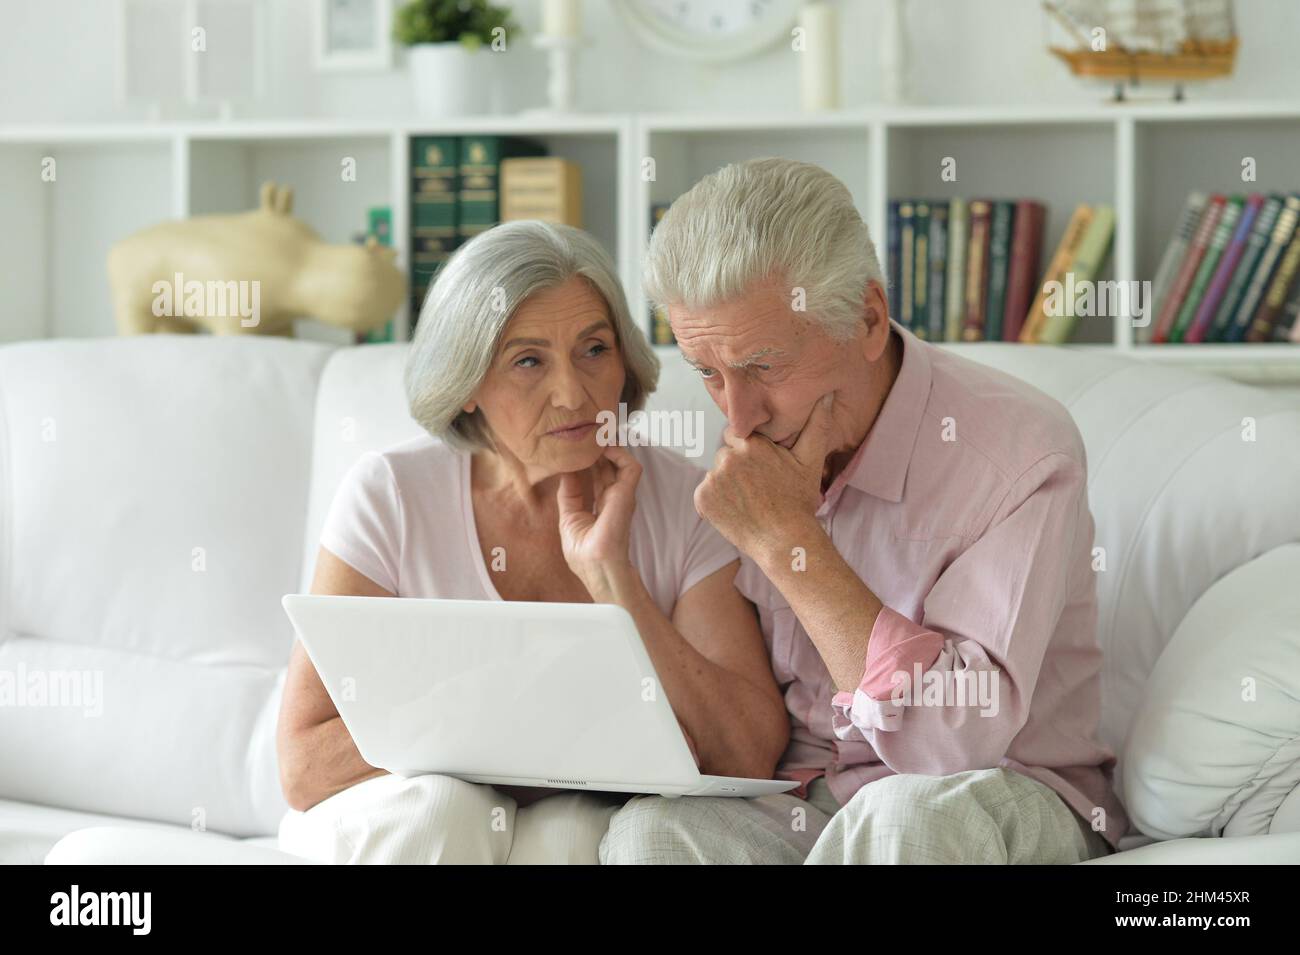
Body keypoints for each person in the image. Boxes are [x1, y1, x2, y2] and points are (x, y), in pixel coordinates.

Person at [599, 158, 1129, 864]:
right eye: (707, 372)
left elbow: (953, 740)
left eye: (763, 366)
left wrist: (792, 542)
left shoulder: (1021, 451)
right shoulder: (740, 456)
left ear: (868, 319)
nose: (738, 413)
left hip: (1000, 790)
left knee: (902, 815)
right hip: (813, 799)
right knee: (648, 833)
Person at [275, 220, 788, 864]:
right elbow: (304, 765)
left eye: (594, 349)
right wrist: (508, 716)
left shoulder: (688, 504)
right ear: (465, 387)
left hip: (571, 817)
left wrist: (614, 582)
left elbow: (745, 749)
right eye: (528, 361)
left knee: (573, 834)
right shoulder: (391, 497)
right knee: (443, 810)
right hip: (403, 814)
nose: (573, 392)